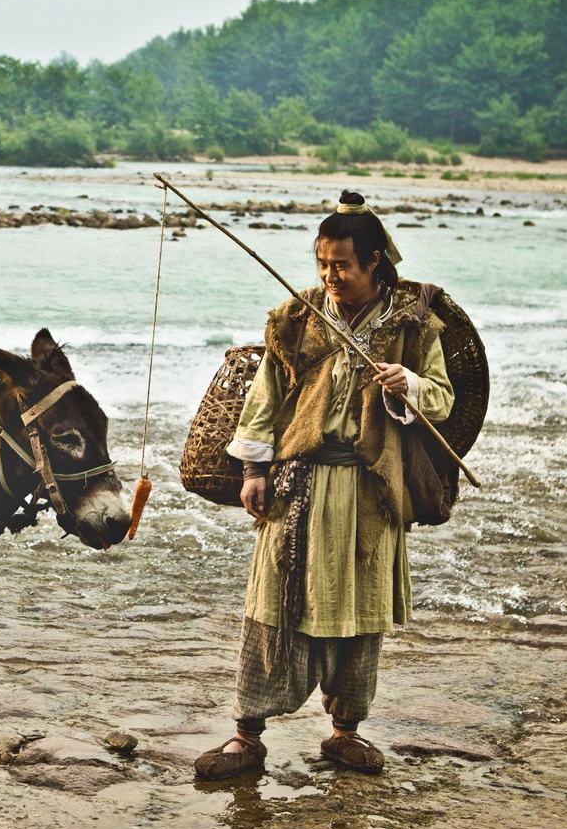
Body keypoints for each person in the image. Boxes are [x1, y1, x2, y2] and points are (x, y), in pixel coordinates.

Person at [194, 191, 454, 780]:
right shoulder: (297, 319)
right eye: (322, 264)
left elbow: (443, 399)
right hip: (298, 484)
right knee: (272, 605)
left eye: (342, 265)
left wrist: (407, 384)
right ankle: (246, 735)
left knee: (358, 611)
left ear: (374, 264)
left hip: (369, 490)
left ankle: (344, 734)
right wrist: (254, 472)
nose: (330, 276)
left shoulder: (415, 326)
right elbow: (266, 399)